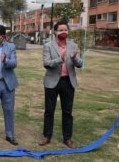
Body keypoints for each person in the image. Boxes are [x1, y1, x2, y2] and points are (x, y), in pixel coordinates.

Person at [38, 21, 82, 149]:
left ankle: (67, 138)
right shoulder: (48, 46)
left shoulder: (73, 45)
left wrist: (74, 58)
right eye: (61, 29)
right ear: (55, 31)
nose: (64, 32)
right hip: (52, 82)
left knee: (67, 112)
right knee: (49, 111)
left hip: (68, 82)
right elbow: (46, 63)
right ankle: (47, 136)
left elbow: (80, 64)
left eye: (66, 30)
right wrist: (60, 59)